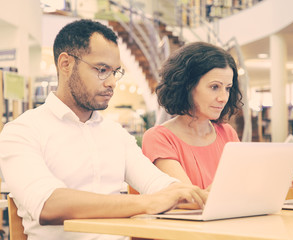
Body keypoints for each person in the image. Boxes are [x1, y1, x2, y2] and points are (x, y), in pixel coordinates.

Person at [0, 19, 207, 240]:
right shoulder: (21, 132)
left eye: (115, 72)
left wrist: (192, 194)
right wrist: (148, 202)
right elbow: (48, 204)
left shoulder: (115, 134)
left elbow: (157, 183)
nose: (111, 83)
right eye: (101, 70)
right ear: (66, 64)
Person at [142, 42, 242, 189]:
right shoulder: (159, 138)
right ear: (188, 86)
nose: (223, 97)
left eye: (228, 88)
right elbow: (187, 197)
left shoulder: (227, 133)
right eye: (215, 87)